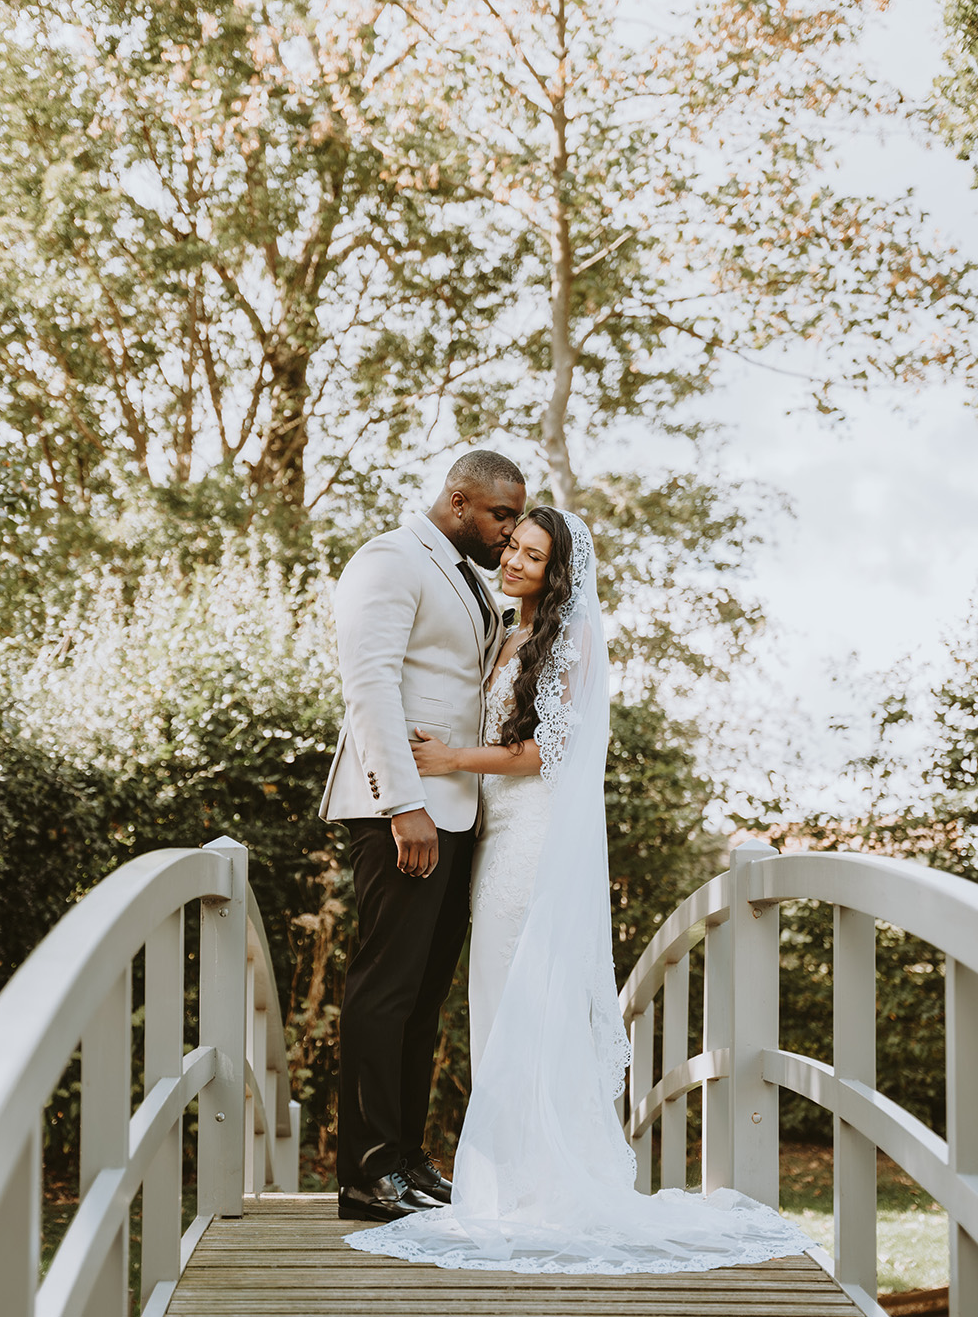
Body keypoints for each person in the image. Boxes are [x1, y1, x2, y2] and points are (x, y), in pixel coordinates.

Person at [345, 507, 814, 1274]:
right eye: (514, 549)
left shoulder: (572, 638)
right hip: (493, 840)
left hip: (533, 841)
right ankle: (512, 1176)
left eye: (534, 555)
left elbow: (543, 753)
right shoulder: (507, 633)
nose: (517, 562)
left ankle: (539, 1186)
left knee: (525, 1000)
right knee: (498, 1002)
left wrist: (453, 759)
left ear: (558, 569)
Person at [320, 450, 526, 1222]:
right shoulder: (388, 558)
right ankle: (366, 1174)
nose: (509, 534)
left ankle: (405, 1158)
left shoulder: (471, 581)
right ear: (459, 499)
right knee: (386, 991)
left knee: (423, 997)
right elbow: (368, 680)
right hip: (400, 811)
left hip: (459, 811)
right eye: (500, 516)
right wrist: (402, 802)